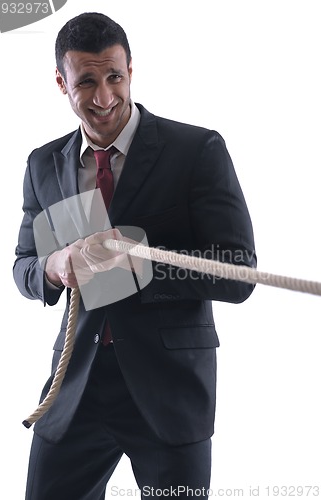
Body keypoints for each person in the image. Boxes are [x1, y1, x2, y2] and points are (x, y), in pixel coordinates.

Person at [13, 12, 257, 500]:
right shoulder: (43, 164)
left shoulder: (197, 150)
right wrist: (57, 267)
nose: (104, 97)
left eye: (115, 77)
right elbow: (24, 267)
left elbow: (239, 273)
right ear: (62, 83)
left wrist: (139, 261)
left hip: (168, 392)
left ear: (131, 71)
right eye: (86, 81)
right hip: (75, 390)